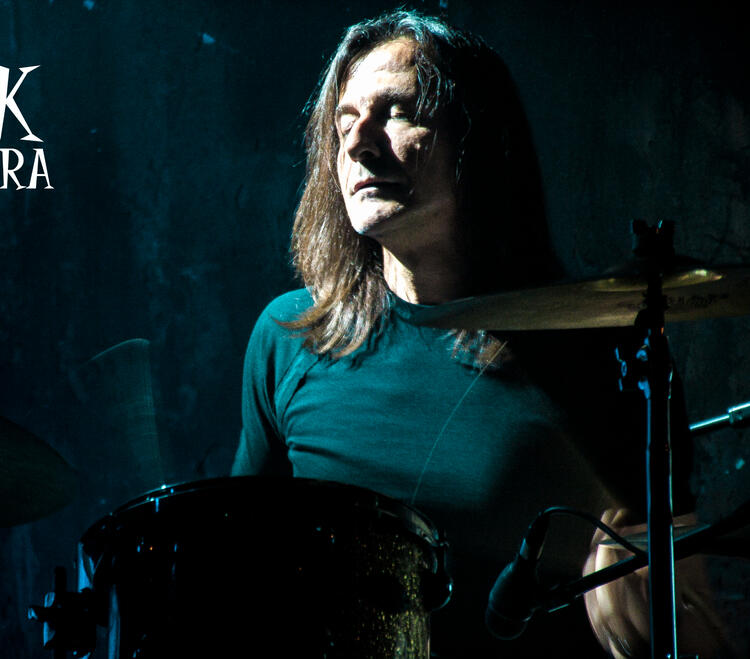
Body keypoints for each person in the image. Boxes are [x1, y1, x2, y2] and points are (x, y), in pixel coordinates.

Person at [231, 10, 727, 658]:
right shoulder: (288, 336)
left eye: (397, 112)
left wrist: (648, 602)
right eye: (344, 122)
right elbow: (239, 565)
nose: (358, 144)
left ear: (478, 141)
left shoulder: (605, 352)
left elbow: (691, 617)